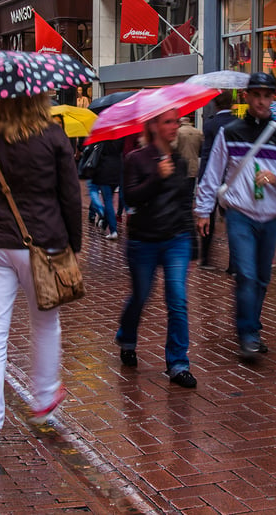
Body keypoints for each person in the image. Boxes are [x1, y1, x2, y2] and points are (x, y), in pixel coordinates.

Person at [0, 93, 82, 448]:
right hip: (43, 240)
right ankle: (44, 396)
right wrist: (73, 244)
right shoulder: (52, 136)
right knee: (45, 321)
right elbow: (69, 195)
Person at [194, 73, 276, 360]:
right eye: (256, 94)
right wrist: (203, 210)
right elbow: (212, 174)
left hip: (270, 217)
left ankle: (253, 326)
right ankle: (247, 334)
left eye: (266, 95)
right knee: (245, 274)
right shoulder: (229, 132)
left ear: (273, 98)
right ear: (246, 97)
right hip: (240, 215)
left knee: (262, 277)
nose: (261, 100)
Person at [116, 109, 197, 388]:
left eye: (176, 121)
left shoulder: (180, 162)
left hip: (176, 238)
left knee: (177, 298)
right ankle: (127, 336)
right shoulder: (135, 159)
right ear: (153, 126)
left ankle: (178, 363)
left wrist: (192, 241)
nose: (175, 126)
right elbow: (131, 197)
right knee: (141, 295)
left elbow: (185, 203)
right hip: (144, 240)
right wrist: (157, 178)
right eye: (168, 122)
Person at [197, 90, 238, 270]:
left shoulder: (210, 124)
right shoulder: (237, 123)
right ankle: (233, 264)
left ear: (216, 104)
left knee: (208, 217)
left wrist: (202, 178)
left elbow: (206, 153)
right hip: (230, 177)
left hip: (211, 175)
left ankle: (205, 257)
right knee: (232, 219)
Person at [91, 137, 124, 240]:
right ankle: (104, 224)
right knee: (110, 200)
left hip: (105, 170)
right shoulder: (120, 136)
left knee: (108, 200)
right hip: (117, 169)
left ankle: (113, 230)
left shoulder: (103, 136)